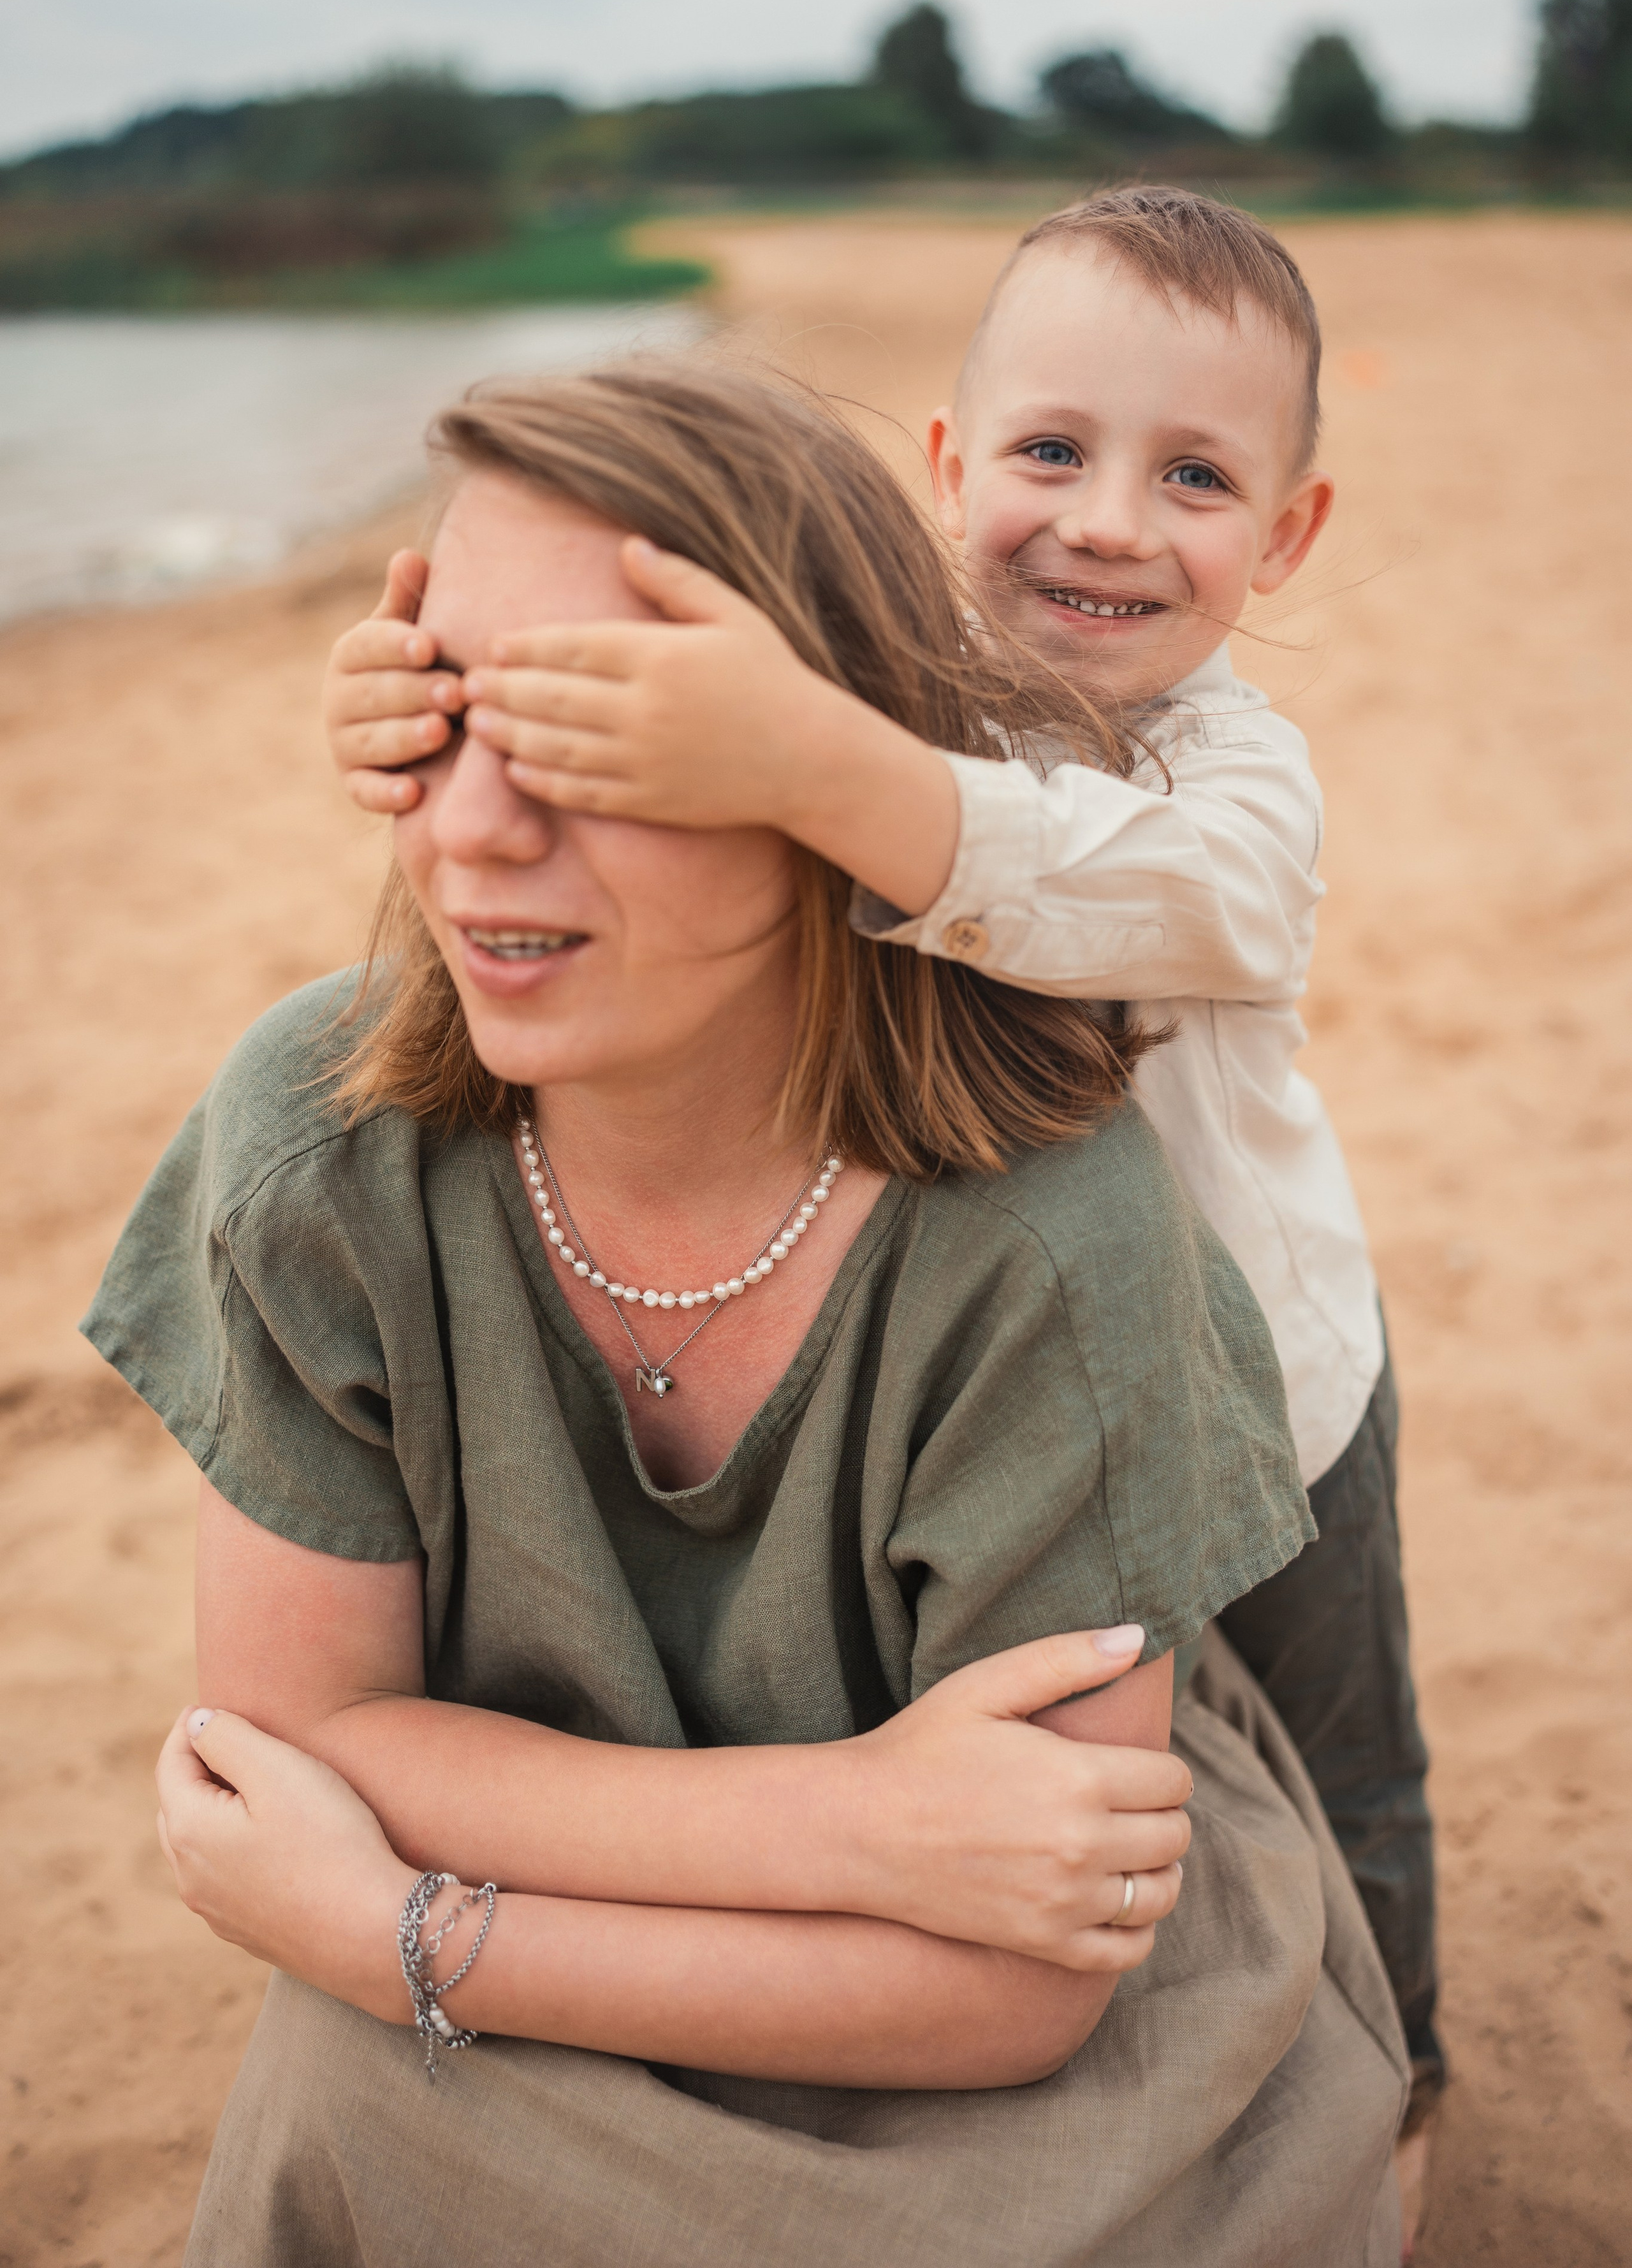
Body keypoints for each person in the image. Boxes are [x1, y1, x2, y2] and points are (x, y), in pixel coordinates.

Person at [94, 359, 1407, 2267]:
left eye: (596, 746)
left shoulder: (1055, 1234)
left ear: (821, 771)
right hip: (587, 1959)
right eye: (439, 713)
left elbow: (1020, 1982)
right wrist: (850, 1830)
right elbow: (306, 1730)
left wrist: (397, 1929)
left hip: (993, 2042)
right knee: (336, 2097)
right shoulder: (328, 1147)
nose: (469, 833)